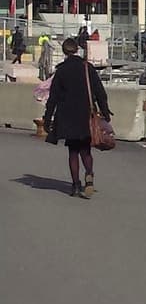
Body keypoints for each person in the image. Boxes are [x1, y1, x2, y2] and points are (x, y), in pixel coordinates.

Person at [40, 36, 106, 199]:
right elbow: (99, 92)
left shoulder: (61, 70)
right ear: (77, 50)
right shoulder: (87, 68)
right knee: (85, 150)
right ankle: (89, 174)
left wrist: (47, 119)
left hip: (67, 116)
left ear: (64, 51)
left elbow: (53, 97)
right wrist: (105, 111)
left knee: (73, 151)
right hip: (85, 114)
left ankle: (75, 185)